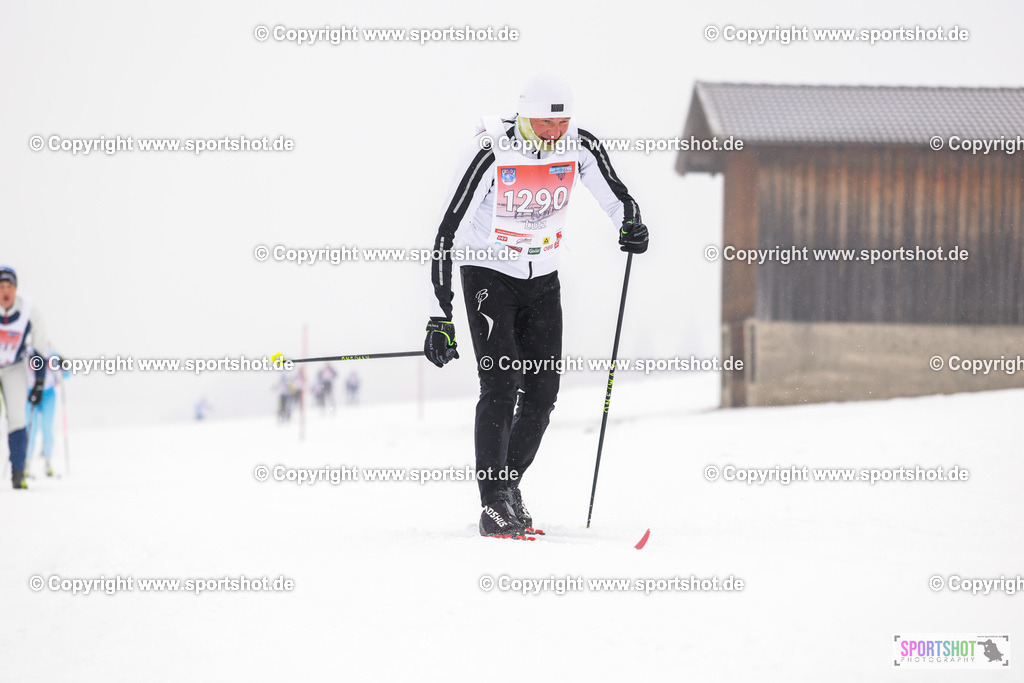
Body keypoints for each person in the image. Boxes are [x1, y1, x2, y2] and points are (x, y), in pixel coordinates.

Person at [423, 71, 649, 537]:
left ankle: (508, 486)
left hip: (543, 280)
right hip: (488, 274)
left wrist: (631, 223)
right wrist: (439, 316)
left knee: (543, 394)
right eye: (545, 125)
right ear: (524, 117)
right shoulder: (490, 151)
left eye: (561, 123)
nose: (554, 133)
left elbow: (616, 196)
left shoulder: (578, 145)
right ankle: (492, 505)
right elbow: (448, 232)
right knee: (502, 384)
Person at [0, 266, 54, 489]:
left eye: (9, 287)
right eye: (1, 287)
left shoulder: (28, 311)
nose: (5, 292)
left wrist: (40, 381)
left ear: (16, 289)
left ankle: (18, 472)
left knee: (17, 417)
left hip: (14, 367)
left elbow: (40, 347)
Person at [25, 345, 65, 478]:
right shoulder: (27, 351)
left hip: (48, 395)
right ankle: (25, 464)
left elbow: (67, 374)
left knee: (47, 429)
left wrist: (63, 365)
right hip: (30, 394)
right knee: (30, 430)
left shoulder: (52, 353)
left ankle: (48, 462)